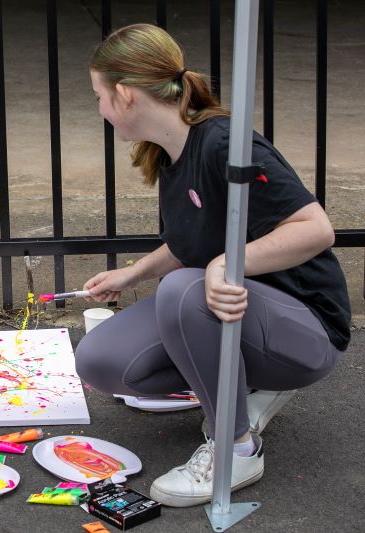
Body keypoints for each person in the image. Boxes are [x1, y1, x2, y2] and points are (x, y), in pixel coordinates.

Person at [74, 24, 350, 507]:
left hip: (307, 329)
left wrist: (225, 265)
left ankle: (237, 447)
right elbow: (189, 244)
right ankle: (248, 390)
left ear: (124, 94)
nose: (97, 107)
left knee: (184, 290)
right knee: (100, 361)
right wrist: (132, 274)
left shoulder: (225, 143)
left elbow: (316, 228)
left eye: (98, 95)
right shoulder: (170, 153)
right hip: (246, 315)